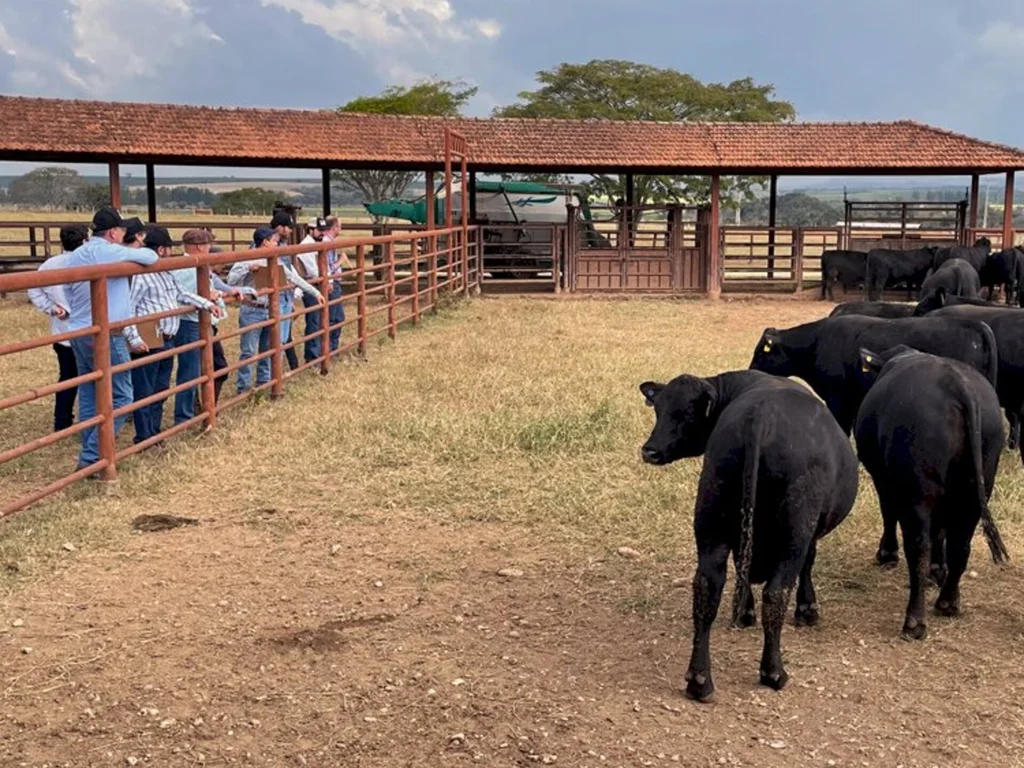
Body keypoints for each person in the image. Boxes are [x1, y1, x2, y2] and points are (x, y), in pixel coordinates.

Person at [62, 207, 159, 473]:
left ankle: (91, 448)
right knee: (122, 395)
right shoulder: (109, 251)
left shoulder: (79, 253)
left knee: (90, 391)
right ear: (114, 232)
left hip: (80, 330)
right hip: (106, 331)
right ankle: (92, 456)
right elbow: (150, 256)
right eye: (124, 231)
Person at [127, 227, 224, 445]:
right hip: (149, 334)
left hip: (167, 335)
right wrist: (134, 338)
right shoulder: (143, 276)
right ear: (161, 250)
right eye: (169, 249)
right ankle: (144, 435)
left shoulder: (166, 271)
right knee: (146, 387)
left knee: (160, 386)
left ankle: (154, 431)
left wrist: (207, 304)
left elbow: (181, 293)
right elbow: (129, 307)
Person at [227, 226, 323, 394]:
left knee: (269, 348)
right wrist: (248, 268)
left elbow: (293, 277)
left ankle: (264, 383)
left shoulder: (275, 259)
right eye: (275, 242)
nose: (277, 245)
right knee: (249, 350)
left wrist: (315, 292)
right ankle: (244, 388)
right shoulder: (245, 259)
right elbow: (231, 280)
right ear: (265, 242)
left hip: (270, 309)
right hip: (253, 309)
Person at [167, 229, 244, 425]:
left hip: (200, 321)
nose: (210, 248)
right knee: (191, 370)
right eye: (208, 245)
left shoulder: (196, 265)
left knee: (208, 367)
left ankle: (202, 409)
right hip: (190, 322)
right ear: (200, 246)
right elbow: (182, 294)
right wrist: (208, 296)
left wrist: (214, 292)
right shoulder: (186, 267)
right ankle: (187, 415)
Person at [27, 224, 89, 432]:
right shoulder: (88, 263)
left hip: (63, 332)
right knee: (93, 375)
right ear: (84, 241)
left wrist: (52, 308)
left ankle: (62, 421)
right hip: (87, 330)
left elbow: (34, 290)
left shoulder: (49, 265)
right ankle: (90, 417)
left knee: (67, 376)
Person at [270, 211, 302, 371]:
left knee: (284, 335)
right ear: (280, 228)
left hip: (285, 295)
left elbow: (289, 272)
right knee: (279, 336)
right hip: (276, 296)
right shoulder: (269, 245)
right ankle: (275, 375)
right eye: (288, 228)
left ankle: (289, 367)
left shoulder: (282, 246)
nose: (290, 231)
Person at [296, 216, 328, 363]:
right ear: (311, 230)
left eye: (323, 230)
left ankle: (316, 352)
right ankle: (312, 355)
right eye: (319, 230)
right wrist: (327, 278)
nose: (322, 233)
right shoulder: (307, 246)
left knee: (317, 318)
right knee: (314, 320)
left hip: (314, 284)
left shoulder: (313, 244)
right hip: (309, 284)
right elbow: (313, 271)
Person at [322, 216, 350, 354]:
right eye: (340, 226)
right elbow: (326, 267)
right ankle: (330, 348)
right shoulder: (327, 243)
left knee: (336, 316)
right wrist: (340, 262)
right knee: (335, 317)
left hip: (334, 282)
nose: (341, 229)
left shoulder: (330, 242)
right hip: (332, 283)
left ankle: (332, 347)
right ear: (334, 228)